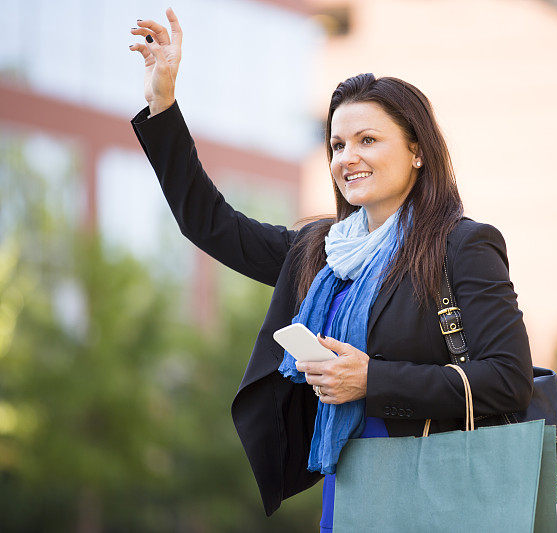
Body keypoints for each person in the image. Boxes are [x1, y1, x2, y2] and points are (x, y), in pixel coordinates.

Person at [128, 9, 534, 530]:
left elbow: (507, 379)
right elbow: (211, 226)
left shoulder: (463, 245)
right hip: (351, 479)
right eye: (337, 145)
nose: (348, 157)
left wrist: (370, 379)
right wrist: (162, 105)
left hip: (437, 486)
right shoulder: (320, 250)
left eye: (368, 140)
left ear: (417, 150)